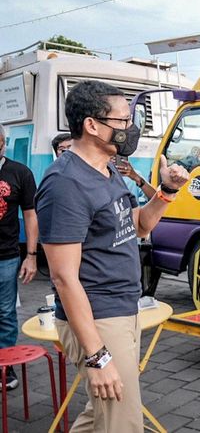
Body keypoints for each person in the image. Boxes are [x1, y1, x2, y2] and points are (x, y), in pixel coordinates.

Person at [35, 80, 189, 432]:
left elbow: (138, 226)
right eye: (122, 122)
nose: (130, 129)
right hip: (100, 319)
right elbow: (63, 277)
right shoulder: (65, 183)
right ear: (92, 125)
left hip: (123, 308)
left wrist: (166, 191)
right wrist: (97, 355)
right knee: (124, 422)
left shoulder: (108, 170)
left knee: (100, 416)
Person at [0, 124, 38, 391]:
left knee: (4, 313)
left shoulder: (19, 172)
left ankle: (4, 366)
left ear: (3, 142)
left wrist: (32, 256)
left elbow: (30, 214)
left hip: (6, 256)